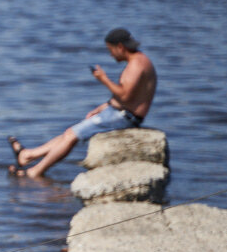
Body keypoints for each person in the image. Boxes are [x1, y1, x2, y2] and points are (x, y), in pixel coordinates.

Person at [8, 28, 157, 179]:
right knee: (70, 132)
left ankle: (35, 172)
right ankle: (27, 155)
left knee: (71, 136)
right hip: (123, 113)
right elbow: (132, 97)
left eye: (110, 50)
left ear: (120, 47)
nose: (111, 55)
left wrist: (103, 79)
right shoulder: (141, 60)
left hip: (124, 117)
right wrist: (104, 107)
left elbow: (124, 96)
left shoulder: (135, 66)